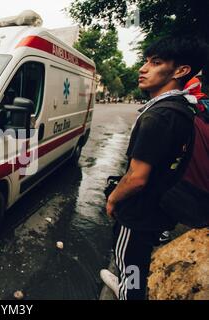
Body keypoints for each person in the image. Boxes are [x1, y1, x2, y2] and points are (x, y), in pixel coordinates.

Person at [100, 36, 208, 300]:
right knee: (139, 259)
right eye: (146, 61)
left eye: (156, 62)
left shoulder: (158, 115)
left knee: (130, 263)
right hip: (158, 208)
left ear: (181, 71)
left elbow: (137, 178)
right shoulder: (182, 108)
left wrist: (113, 200)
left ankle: (128, 290)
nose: (143, 68)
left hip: (138, 211)